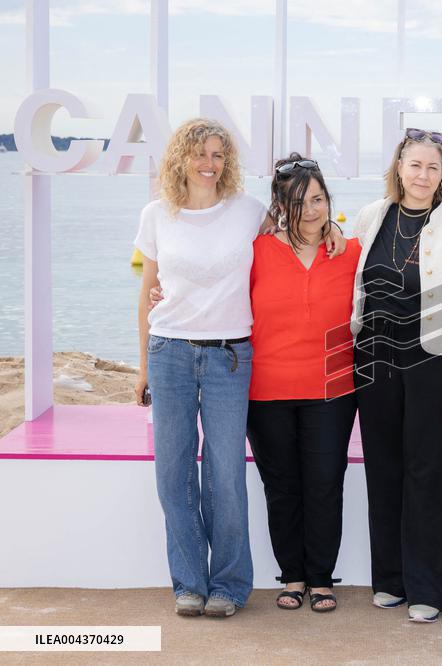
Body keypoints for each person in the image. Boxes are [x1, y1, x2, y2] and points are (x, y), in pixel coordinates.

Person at [350, 128, 442, 623]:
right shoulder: (370, 217)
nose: (423, 175)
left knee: (432, 475)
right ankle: (390, 579)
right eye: (415, 165)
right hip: (374, 360)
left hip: (434, 363)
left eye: (433, 166)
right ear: (399, 168)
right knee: (384, 470)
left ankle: (428, 588)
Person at [134, 119, 265, 618]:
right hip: (169, 352)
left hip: (230, 355)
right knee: (172, 471)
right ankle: (189, 581)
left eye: (218, 154)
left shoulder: (249, 211)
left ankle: (230, 584)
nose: (210, 164)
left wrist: (336, 231)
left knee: (225, 472)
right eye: (200, 154)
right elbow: (146, 291)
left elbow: (303, 230)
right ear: (180, 159)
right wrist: (143, 363)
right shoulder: (156, 215)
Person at [244, 154, 362, 613]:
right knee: (282, 485)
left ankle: (321, 577)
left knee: (326, 483)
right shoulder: (255, 251)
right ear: (279, 204)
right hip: (266, 389)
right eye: (298, 202)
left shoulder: (349, 249)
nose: (311, 210)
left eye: (318, 199)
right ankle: (292, 575)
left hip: (333, 390)